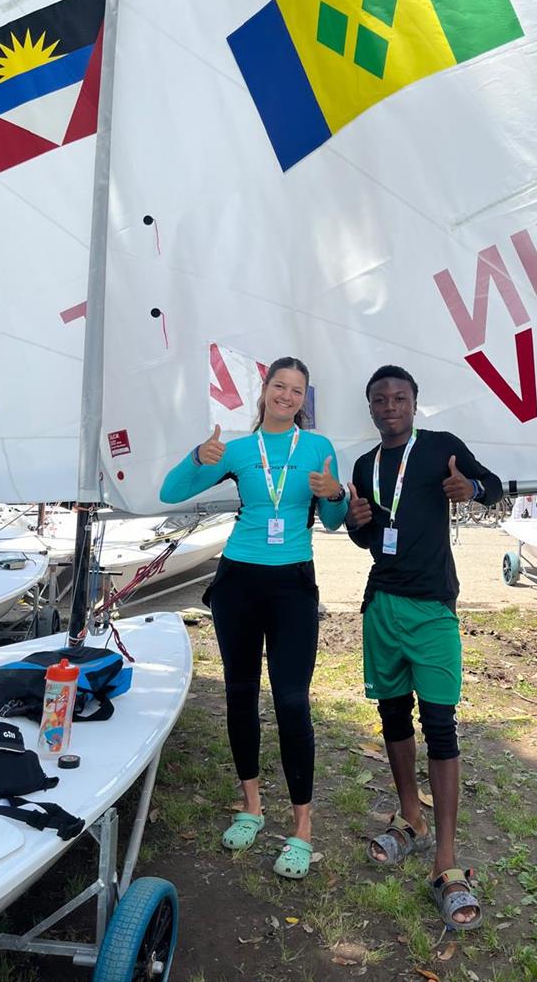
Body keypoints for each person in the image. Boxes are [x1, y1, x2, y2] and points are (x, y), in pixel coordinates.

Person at [160, 357, 347, 880]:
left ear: (304, 401)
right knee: (240, 693)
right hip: (238, 580)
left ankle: (302, 828)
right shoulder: (238, 450)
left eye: (297, 391)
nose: (287, 396)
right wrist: (198, 457)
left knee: (291, 700)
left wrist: (336, 496)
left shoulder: (318, 447)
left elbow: (332, 520)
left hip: (293, 583)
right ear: (263, 392)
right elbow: (171, 492)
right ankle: (251, 806)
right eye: (279, 387)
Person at [345, 365, 502, 930]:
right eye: (380, 400)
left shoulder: (441, 449)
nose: (390, 407)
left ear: (415, 403)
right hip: (382, 602)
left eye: (400, 398)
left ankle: (447, 860)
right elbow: (366, 537)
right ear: (371, 408)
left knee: (440, 723)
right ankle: (410, 817)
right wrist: (355, 521)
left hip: (433, 606)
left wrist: (473, 488)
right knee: (392, 714)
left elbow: (496, 487)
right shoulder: (365, 465)